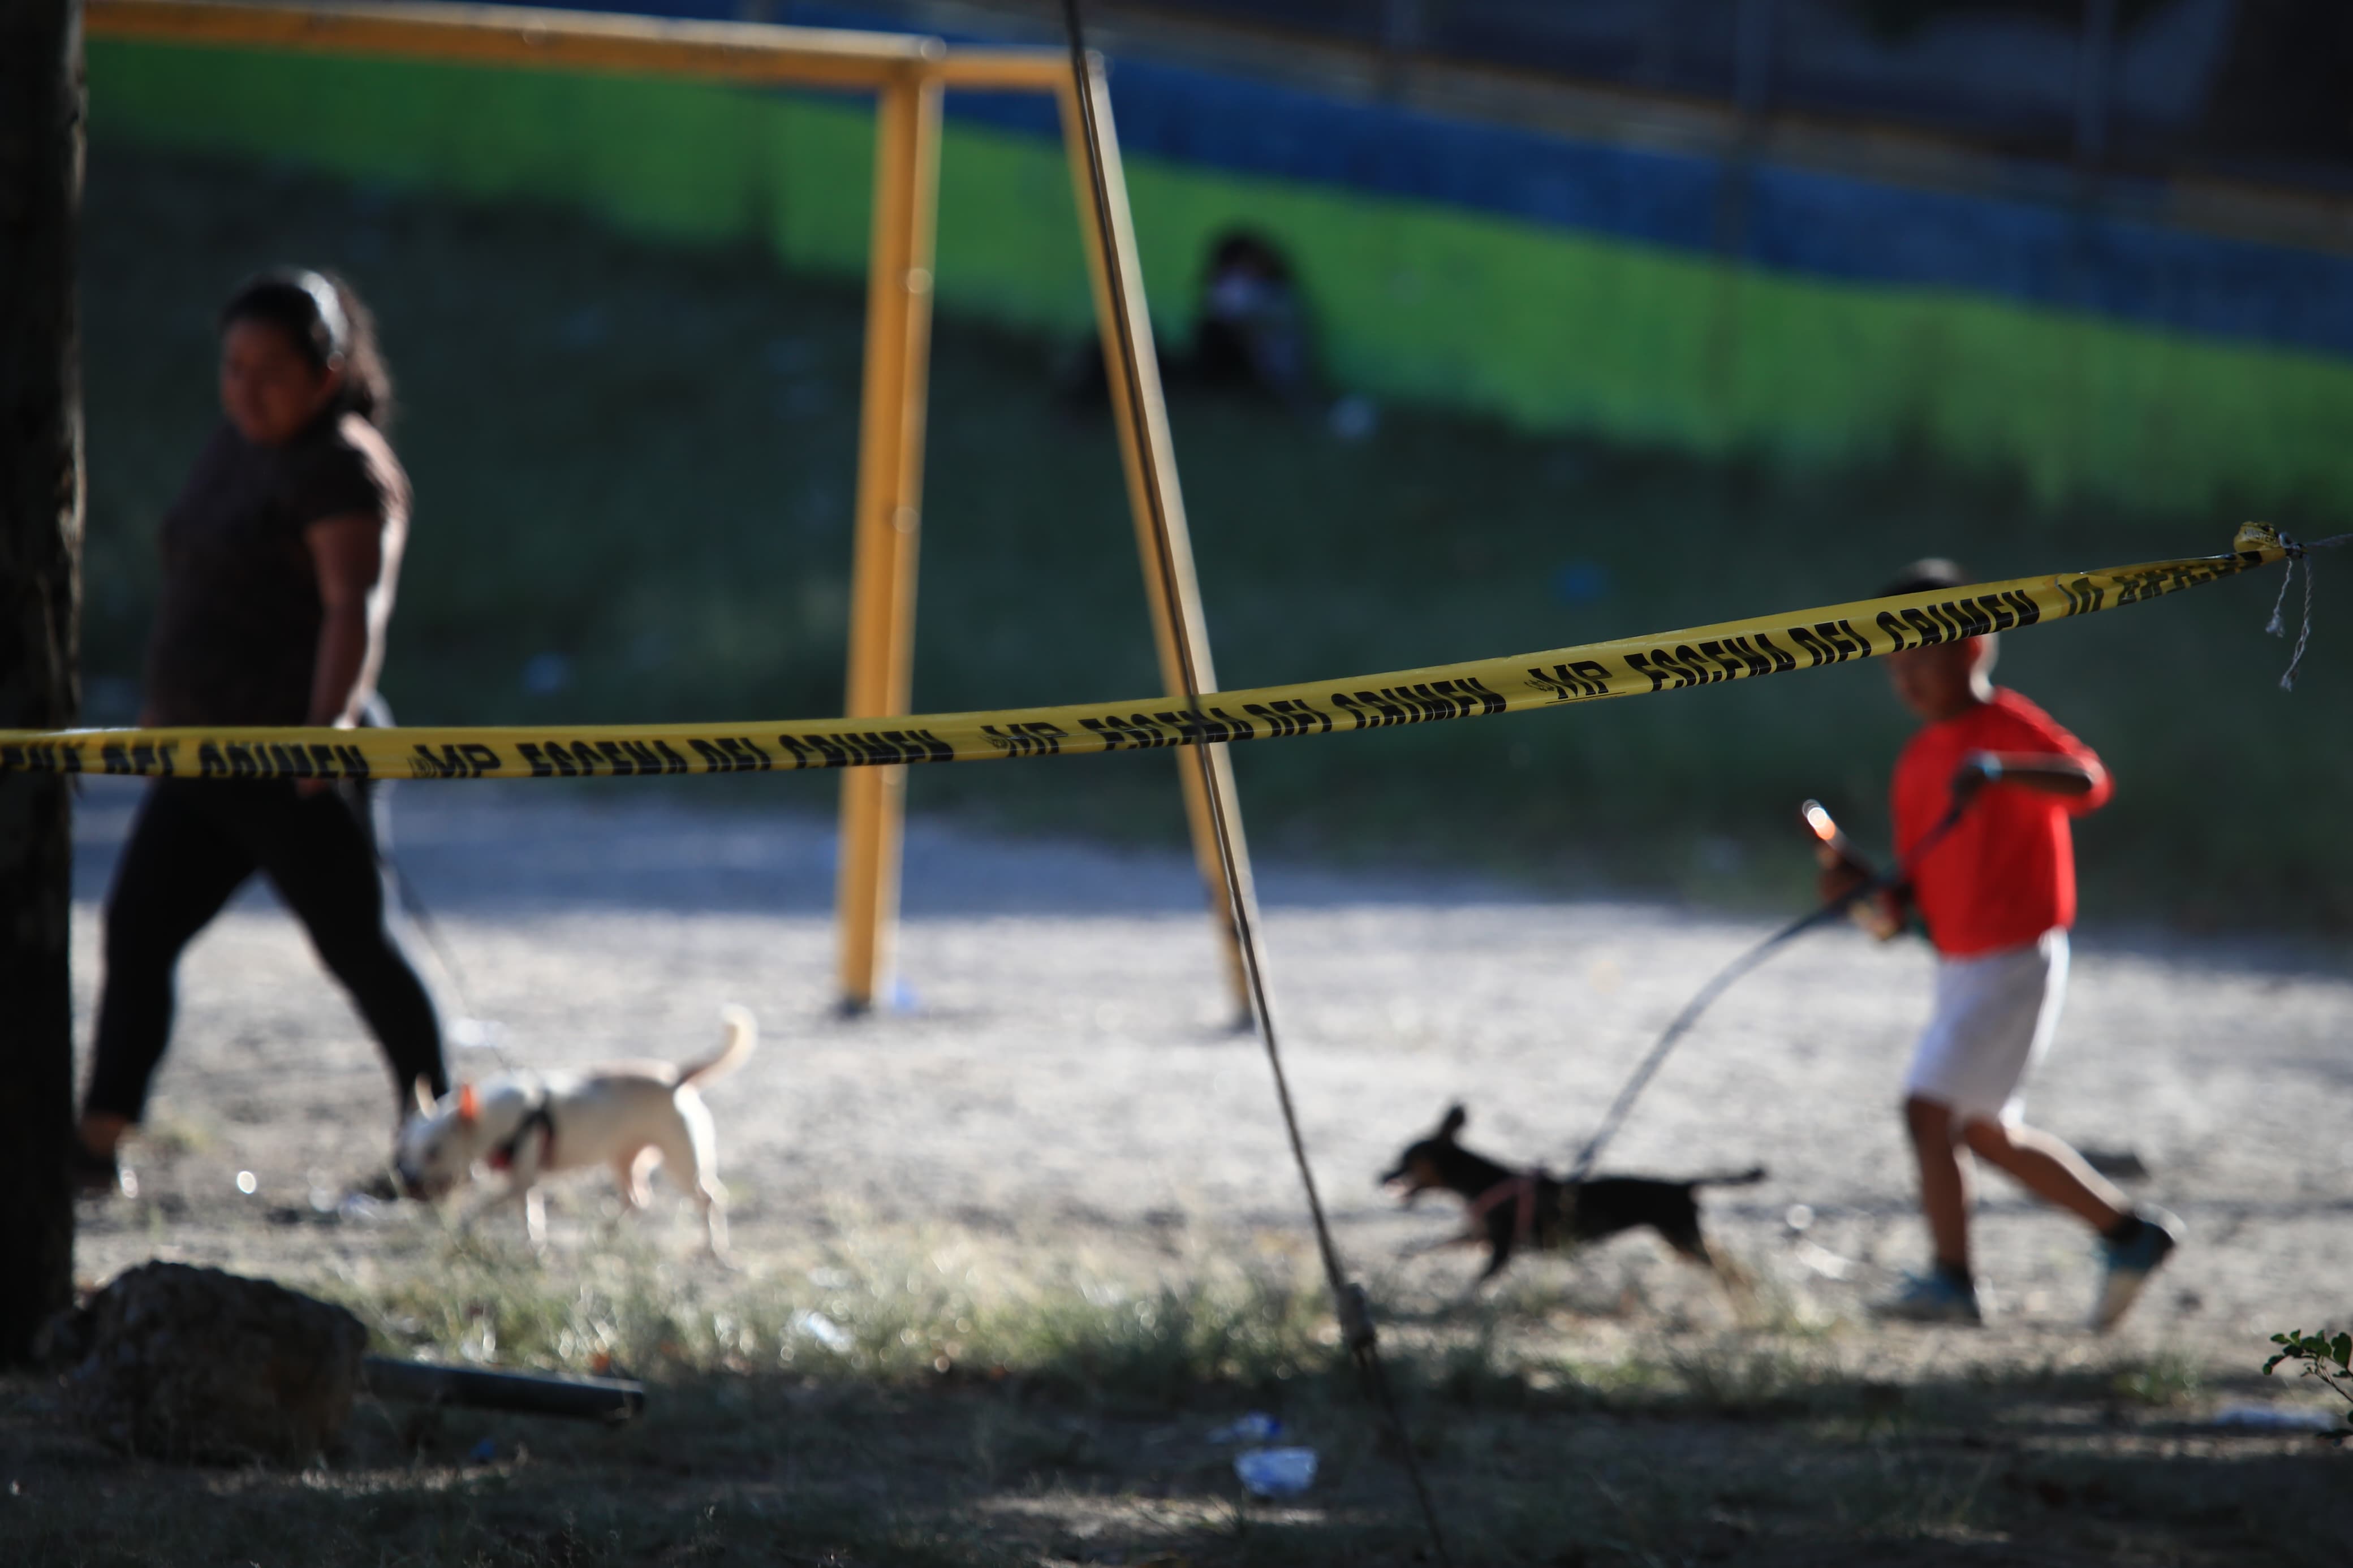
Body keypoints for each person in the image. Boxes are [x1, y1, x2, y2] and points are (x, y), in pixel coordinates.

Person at [70, 269, 446, 1196]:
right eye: (232, 367)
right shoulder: (231, 450)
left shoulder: (344, 466)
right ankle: (96, 1141)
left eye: (270, 371)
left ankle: (436, 1144)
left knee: (356, 947)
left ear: (325, 371)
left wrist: (324, 736)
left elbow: (352, 610)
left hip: (291, 763)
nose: (246, 388)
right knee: (141, 928)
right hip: (203, 757)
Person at [1819, 559, 2175, 1329]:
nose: (1906, 676)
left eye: (1921, 656)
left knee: (1926, 1111)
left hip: (2016, 957)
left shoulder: (2003, 726)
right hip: (1960, 966)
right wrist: (1859, 892)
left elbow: (2088, 781)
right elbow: (1905, 911)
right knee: (1982, 1131)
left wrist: (2005, 770)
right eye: (1894, 661)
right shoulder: (1917, 761)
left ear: (1972, 651)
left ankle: (1953, 1283)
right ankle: (2129, 1234)